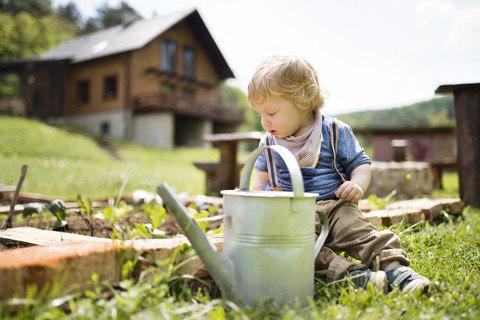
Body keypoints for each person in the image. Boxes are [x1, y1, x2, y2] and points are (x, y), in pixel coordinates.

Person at [247, 53, 431, 294]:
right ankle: (355, 276)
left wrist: (357, 184)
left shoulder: (334, 131)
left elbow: (360, 163)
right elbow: (261, 176)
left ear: (301, 101)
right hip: (293, 215)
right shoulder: (268, 141)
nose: (264, 121)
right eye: (260, 114)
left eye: (270, 113)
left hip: (337, 206)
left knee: (359, 234)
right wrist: (254, 205)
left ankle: (395, 269)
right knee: (299, 249)